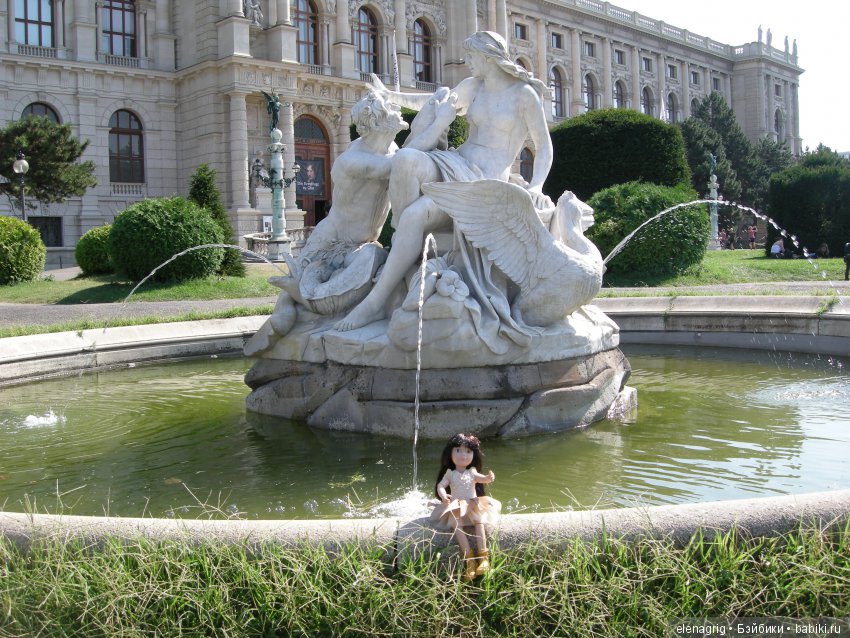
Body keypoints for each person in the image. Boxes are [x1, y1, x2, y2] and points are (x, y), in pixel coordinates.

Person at [335, 30, 553, 332]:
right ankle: (407, 252)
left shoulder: (524, 95)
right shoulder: (472, 86)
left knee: (414, 215)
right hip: (457, 161)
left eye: (471, 56)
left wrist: (537, 185)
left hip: (483, 180)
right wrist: (390, 96)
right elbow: (431, 102)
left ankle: (376, 301)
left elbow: (544, 146)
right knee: (405, 159)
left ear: (488, 57)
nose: (467, 61)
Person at [430, 433, 501, 581]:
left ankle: (484, 558)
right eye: (458, 450)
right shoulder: (450, 474)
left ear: (473, 455)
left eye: (468, 451)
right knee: (457, 526)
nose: (463, 455)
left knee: (479, 522)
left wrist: (488, 478)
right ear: (450, 453)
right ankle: (469, 561)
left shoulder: (472, 471)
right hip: (457, 505)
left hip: (473, 503)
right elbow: (441, 485)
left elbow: (481, 478)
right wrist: (443, 496)